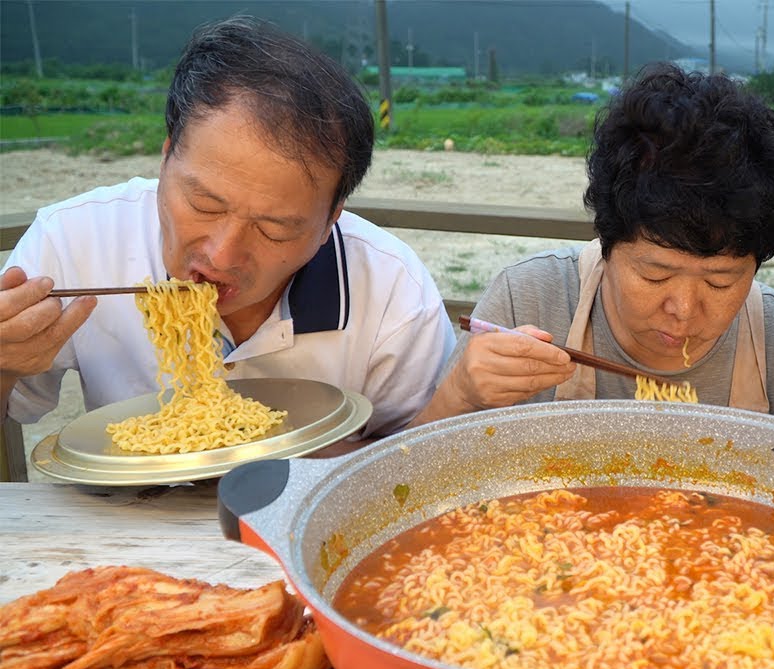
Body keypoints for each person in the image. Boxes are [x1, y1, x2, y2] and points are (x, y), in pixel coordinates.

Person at [0, 16, 455, 451]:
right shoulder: (75, 240)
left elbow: (421, 459)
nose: (222, 254)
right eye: (204, 204)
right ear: (165, 158)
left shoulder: (392, 290)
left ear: (330, 220)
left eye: (274, 229)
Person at [418, 63, 774, 422]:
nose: (682, 311)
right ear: (606, 245)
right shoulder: (528, 301)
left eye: (719, 282)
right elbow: (414, 476)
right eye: (655, 275)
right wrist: (459, 394)